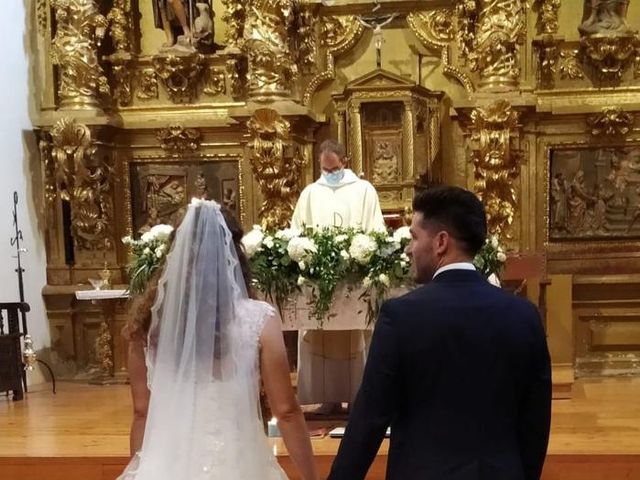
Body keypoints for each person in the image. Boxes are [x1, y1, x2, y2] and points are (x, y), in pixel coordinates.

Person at [328, 186, 552, 480]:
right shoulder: (524, 316)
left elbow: (369, 419)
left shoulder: (401, 316)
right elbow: (535, 420)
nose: (408, 249)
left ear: (441, 242)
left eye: (414, 237)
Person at [119, 199, 318, 480]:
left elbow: (142, 413)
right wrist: (311, 477)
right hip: (239, 465)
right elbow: (285, 412)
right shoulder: (258, 320)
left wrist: (141, 471)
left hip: (169, 466)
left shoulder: (147, 328)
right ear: (233, 254)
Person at [291, 139, 385, 414]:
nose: (329, 175)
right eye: (324, 170)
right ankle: (327, 398)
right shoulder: (310, 192)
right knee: (319, 333)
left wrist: (359, 252)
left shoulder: (364, 190)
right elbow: (297, 229)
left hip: (354, 278)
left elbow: (375, 229)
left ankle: (357, 397)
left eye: (333, 169)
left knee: (356, 335)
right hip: (320, 280)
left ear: (345, 162)